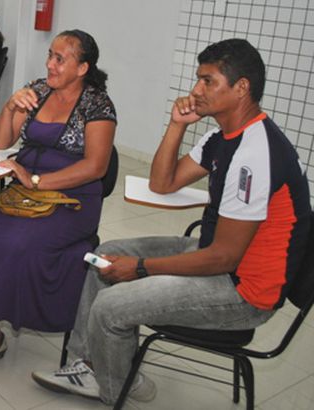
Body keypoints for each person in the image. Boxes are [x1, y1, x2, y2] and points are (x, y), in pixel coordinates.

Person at [32, 38, 310, 405]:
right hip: (217, 257)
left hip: (243, 291)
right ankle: (91, 364)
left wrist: (143, 268)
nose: (196, 90)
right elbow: (162, 183)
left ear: (242, 88)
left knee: (111, 306)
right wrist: (177, 125)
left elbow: (224, 259)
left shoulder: (254, 153)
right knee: (108, 253)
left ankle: (112, 388)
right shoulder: (222, 136)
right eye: (199, 79)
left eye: (208, 81)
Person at [0, 29, 116, 376]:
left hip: (73, 199)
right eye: (50, 55)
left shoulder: (97, 104)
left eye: (61, 58)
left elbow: (96, 166)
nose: (50, 64)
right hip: (27, 195)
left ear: (82, 67)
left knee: (19, 244)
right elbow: (2, 139)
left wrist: (38, 180)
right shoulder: (38, 91)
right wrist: (12, 106)